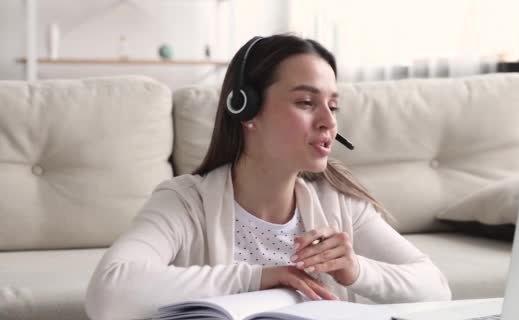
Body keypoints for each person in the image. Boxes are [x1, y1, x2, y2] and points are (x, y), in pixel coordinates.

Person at [85, 34, 451, 320]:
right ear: (247, 110)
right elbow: (109, 294)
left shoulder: (338, 203)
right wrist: (256, 277)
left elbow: (436, 289)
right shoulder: (185, 202)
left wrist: (355, 270)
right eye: (306, 103)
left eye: (333, 105)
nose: (328, 121)